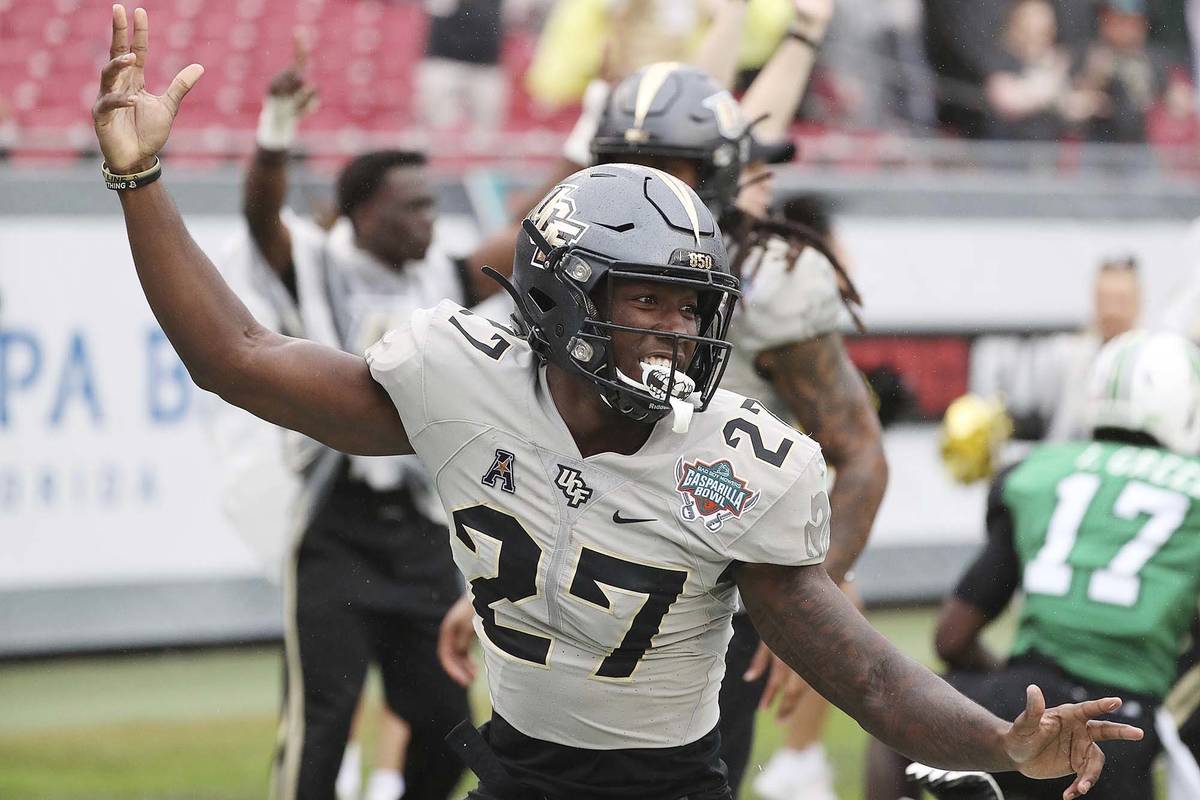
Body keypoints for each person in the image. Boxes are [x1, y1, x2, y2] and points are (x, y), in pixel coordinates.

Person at [92, 8, 1143, 800]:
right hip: (513, 760)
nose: (676, 331)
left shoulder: (735, 457)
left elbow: (867, 672)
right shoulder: (468, 373)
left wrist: (997, 739)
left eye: (691, 305)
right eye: (646, 298)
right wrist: (141, 182)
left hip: (670, 779)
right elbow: (236, 354)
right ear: (558, 297)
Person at [242, 34, 477, 800]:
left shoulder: (437, 272)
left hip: (417, 532)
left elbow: (524, 238)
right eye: (412, 207)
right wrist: (276, 132)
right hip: (335, 524)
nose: (429, 221)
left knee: (448, 727)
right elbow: (261, 219)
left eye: (433, 205)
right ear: (363, 211)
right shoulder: (317, 260)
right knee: (324, 723)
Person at [868, 330, 1200, 800]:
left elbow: (952, 637)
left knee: (896, 714)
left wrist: (1024, 692)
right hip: (1121, 730)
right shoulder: (1191, 489)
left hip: (1023, 708)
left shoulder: (1039, 471)